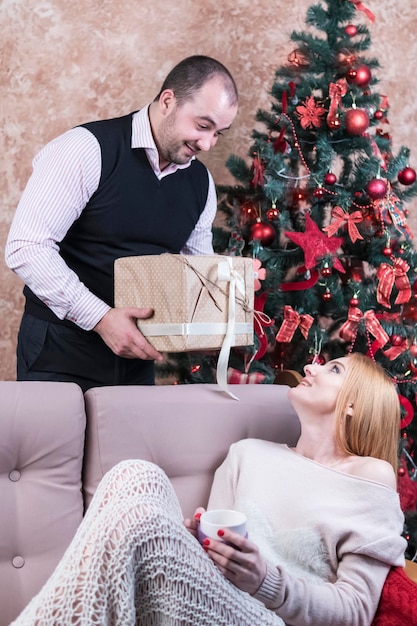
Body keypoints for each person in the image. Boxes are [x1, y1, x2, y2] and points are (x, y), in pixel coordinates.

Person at [10, 353, 407, 626]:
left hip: (273, 618)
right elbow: (210, 559)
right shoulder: (248, 454)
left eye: (333, 369)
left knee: (146, 527)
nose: (311, 366)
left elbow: (356, 610)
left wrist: (267, 580)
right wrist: (192, 540)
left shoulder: (370, 475)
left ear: (355, 404)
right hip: (216, 604)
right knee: (134, 474)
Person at [5, 55, 238, 392]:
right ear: (168, 101)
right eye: (203, 126)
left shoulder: (201, 183)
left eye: (219, 133)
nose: (207, 145)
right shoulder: (84, 149)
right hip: (58, 350)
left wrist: (232, 295)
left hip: (138, 359)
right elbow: (26, 248)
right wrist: (100, 318)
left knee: (126, 448)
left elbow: (195, 274)